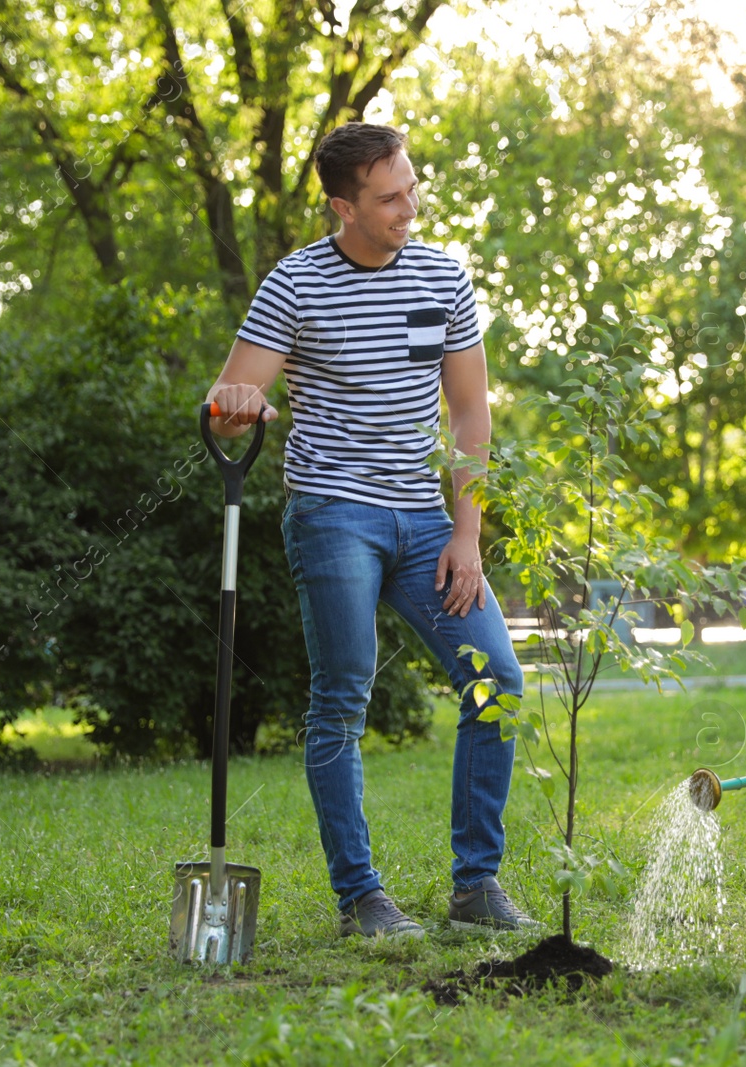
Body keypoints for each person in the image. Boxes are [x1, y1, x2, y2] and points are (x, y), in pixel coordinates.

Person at [205, 122, 536, 939]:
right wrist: (236, 403)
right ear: (341, 206)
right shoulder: (295, 284)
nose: (408, 208)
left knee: (496, 683)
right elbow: (228, 394)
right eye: (390, 197)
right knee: (342, 697)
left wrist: (468, 532)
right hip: (333, 515)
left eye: (412, 189)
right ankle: (361, 895)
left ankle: (477, 884)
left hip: (427, 518)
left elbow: (468, 412)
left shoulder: (442, 279)